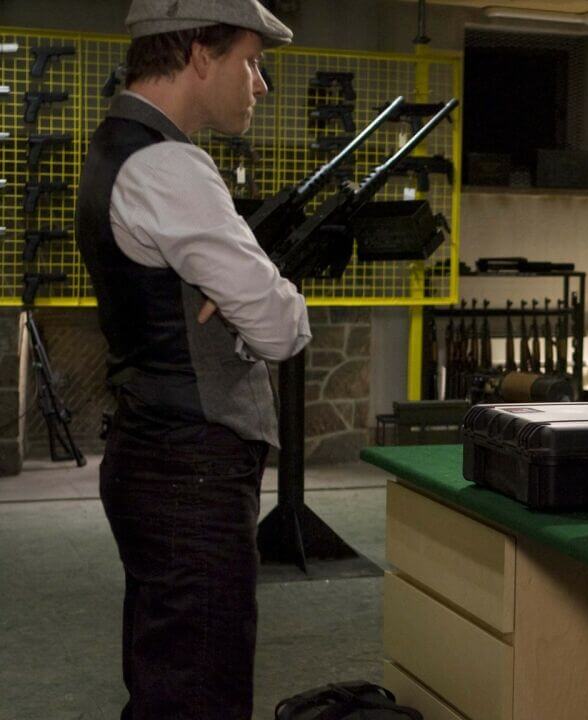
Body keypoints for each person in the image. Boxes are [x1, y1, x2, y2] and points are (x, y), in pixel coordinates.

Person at [75, 2, 309, 718]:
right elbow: (281, 328)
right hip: (191, 468)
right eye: (251, 61)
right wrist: (253, 300)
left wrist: (233, 298)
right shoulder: (170, 165)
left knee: (169, 682)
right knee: (198, 694)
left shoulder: (116, 143)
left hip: (156, 453)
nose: (259, 83)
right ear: (201, 56)